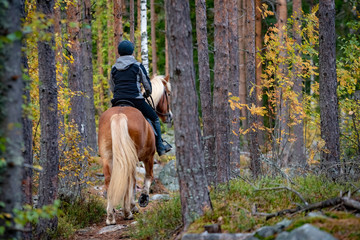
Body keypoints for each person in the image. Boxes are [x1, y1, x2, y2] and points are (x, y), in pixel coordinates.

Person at [110, 40, 172, 156]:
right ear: (131, 52)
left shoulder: (114, 68)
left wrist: (119, 94)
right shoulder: (137, 66)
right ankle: (160, 147)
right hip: (135, 100)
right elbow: (147, 85)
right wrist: (147, 93)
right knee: (154, 118)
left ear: (119, 52)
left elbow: (112, 86)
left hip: (118, 100)